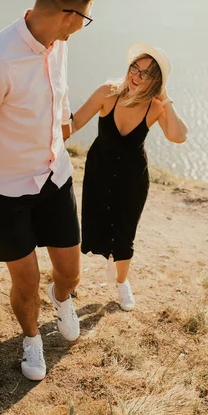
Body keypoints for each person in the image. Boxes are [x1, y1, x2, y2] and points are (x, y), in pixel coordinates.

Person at [0, 0, 100, 381]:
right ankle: (31, 338)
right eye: (84, 19)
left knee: (69, 272)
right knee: (26, 281)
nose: (82, 27)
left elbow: (59, 104)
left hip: (55, 177)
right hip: (4, 191)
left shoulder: (58, 43)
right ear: (69, 15)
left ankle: (62, 298)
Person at [71, 42, 188, 311]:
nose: (136, 75)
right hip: (99, 173)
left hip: (132, 179)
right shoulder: (107, 92)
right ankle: (70, 282)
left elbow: (179, 136)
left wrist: (166, 99)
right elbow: (75, 123)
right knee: (92, 225)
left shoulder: (155, 106)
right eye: (134, 68)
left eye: (145, 73)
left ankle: (122, 283)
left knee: (125, 233)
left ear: (156, 81)